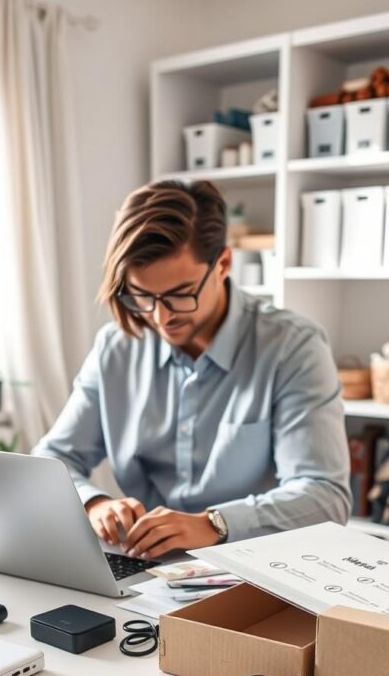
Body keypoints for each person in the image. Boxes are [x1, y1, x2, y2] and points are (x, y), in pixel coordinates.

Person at [33, 180, 351, 559]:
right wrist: (94, 502)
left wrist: (214, 524)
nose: (160, 317)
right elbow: (51, 460)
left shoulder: (292, 347)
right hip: (146, 562)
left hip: (255, 563)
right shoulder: (116, 349)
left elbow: (325, 496)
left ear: (224, 265)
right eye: (142, 296)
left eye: (180, 294)